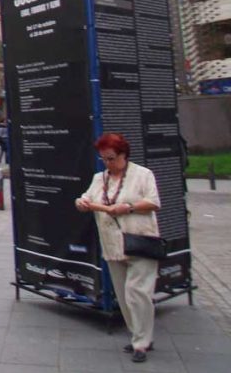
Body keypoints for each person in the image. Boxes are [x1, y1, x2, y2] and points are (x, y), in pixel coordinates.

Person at [75, 133, 161, 364]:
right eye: (103, 159)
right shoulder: (99, 178)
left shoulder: (142, 175)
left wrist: (128, 207)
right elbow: (86, 197)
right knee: (124, 295)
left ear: (124, 155)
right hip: (113, 245)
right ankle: (139, 335)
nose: (108, 163)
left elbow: (153, 202)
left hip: (139, 240)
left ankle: (141, 343)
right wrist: (82, 202)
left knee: (137, 292)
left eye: (112, 158)